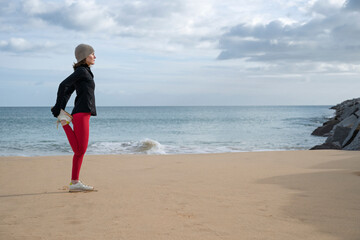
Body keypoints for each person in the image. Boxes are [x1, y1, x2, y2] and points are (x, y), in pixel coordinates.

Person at [51, 44, 97, 192]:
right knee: (80, 150)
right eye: (92, 54)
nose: (95, 57)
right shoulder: (82, 71)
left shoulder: (84, 72)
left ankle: (74, 182)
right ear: (85, 56)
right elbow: (63, 85)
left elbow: (69, 90)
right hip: (81, 113)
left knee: (80, 151)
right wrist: (59, 108)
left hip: (82, 113)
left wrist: (61, 108)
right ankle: (64, 122)